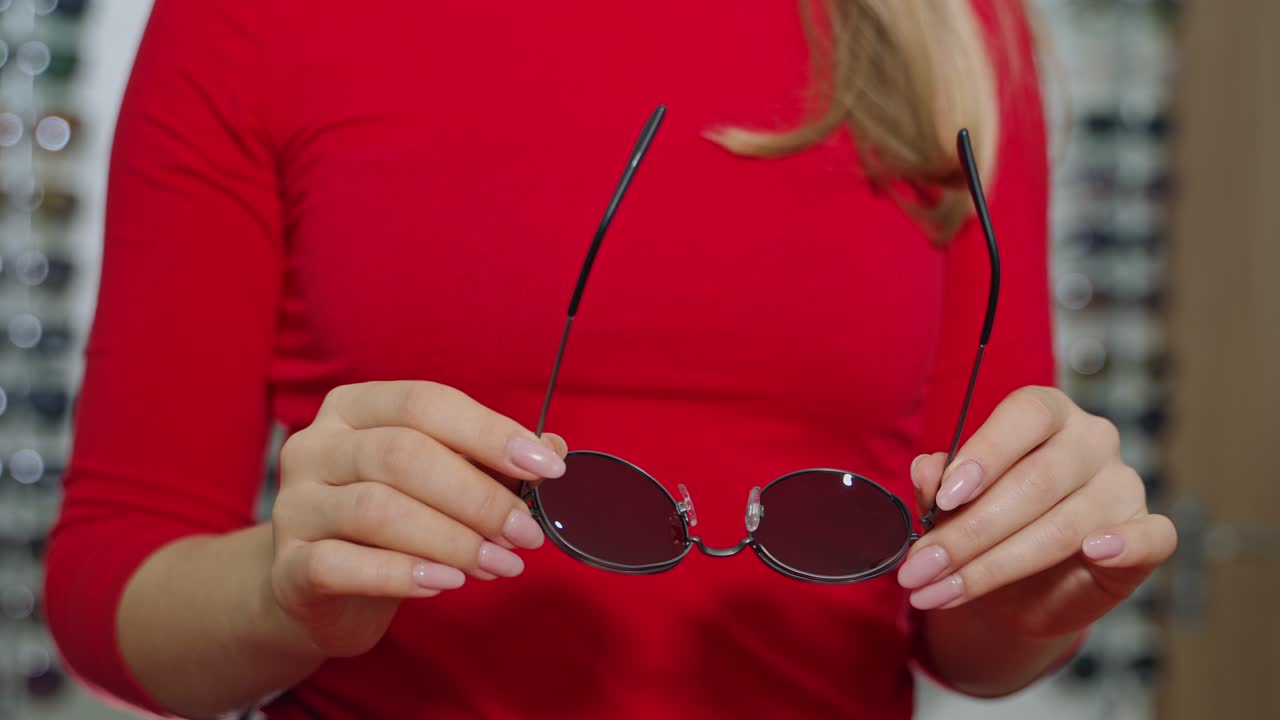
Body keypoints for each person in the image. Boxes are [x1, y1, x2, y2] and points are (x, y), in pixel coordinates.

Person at [45, 1, 1177, 718]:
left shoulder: (951, 34)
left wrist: (1037, 596)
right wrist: (280, 591)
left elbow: (963, 630)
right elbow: (112, 587)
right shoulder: (254, 20)